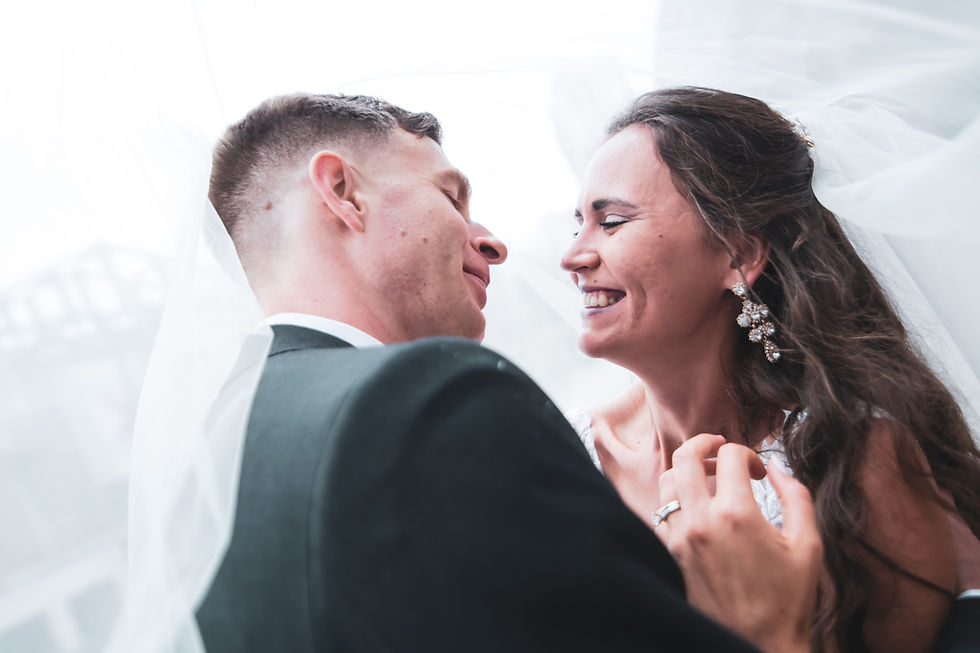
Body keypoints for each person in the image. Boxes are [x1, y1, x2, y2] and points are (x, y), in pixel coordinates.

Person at [194, 92, 823, 653]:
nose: (493, 243)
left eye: (612, 219)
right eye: (450, 196)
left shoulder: (218, 448)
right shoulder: (434, 400)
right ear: (343, 193)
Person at [561, 87, 980, 652]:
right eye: (577, 225)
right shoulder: (567, 455)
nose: (573, 256)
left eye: (610, 221)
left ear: (739, 255)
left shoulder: (852, 461)